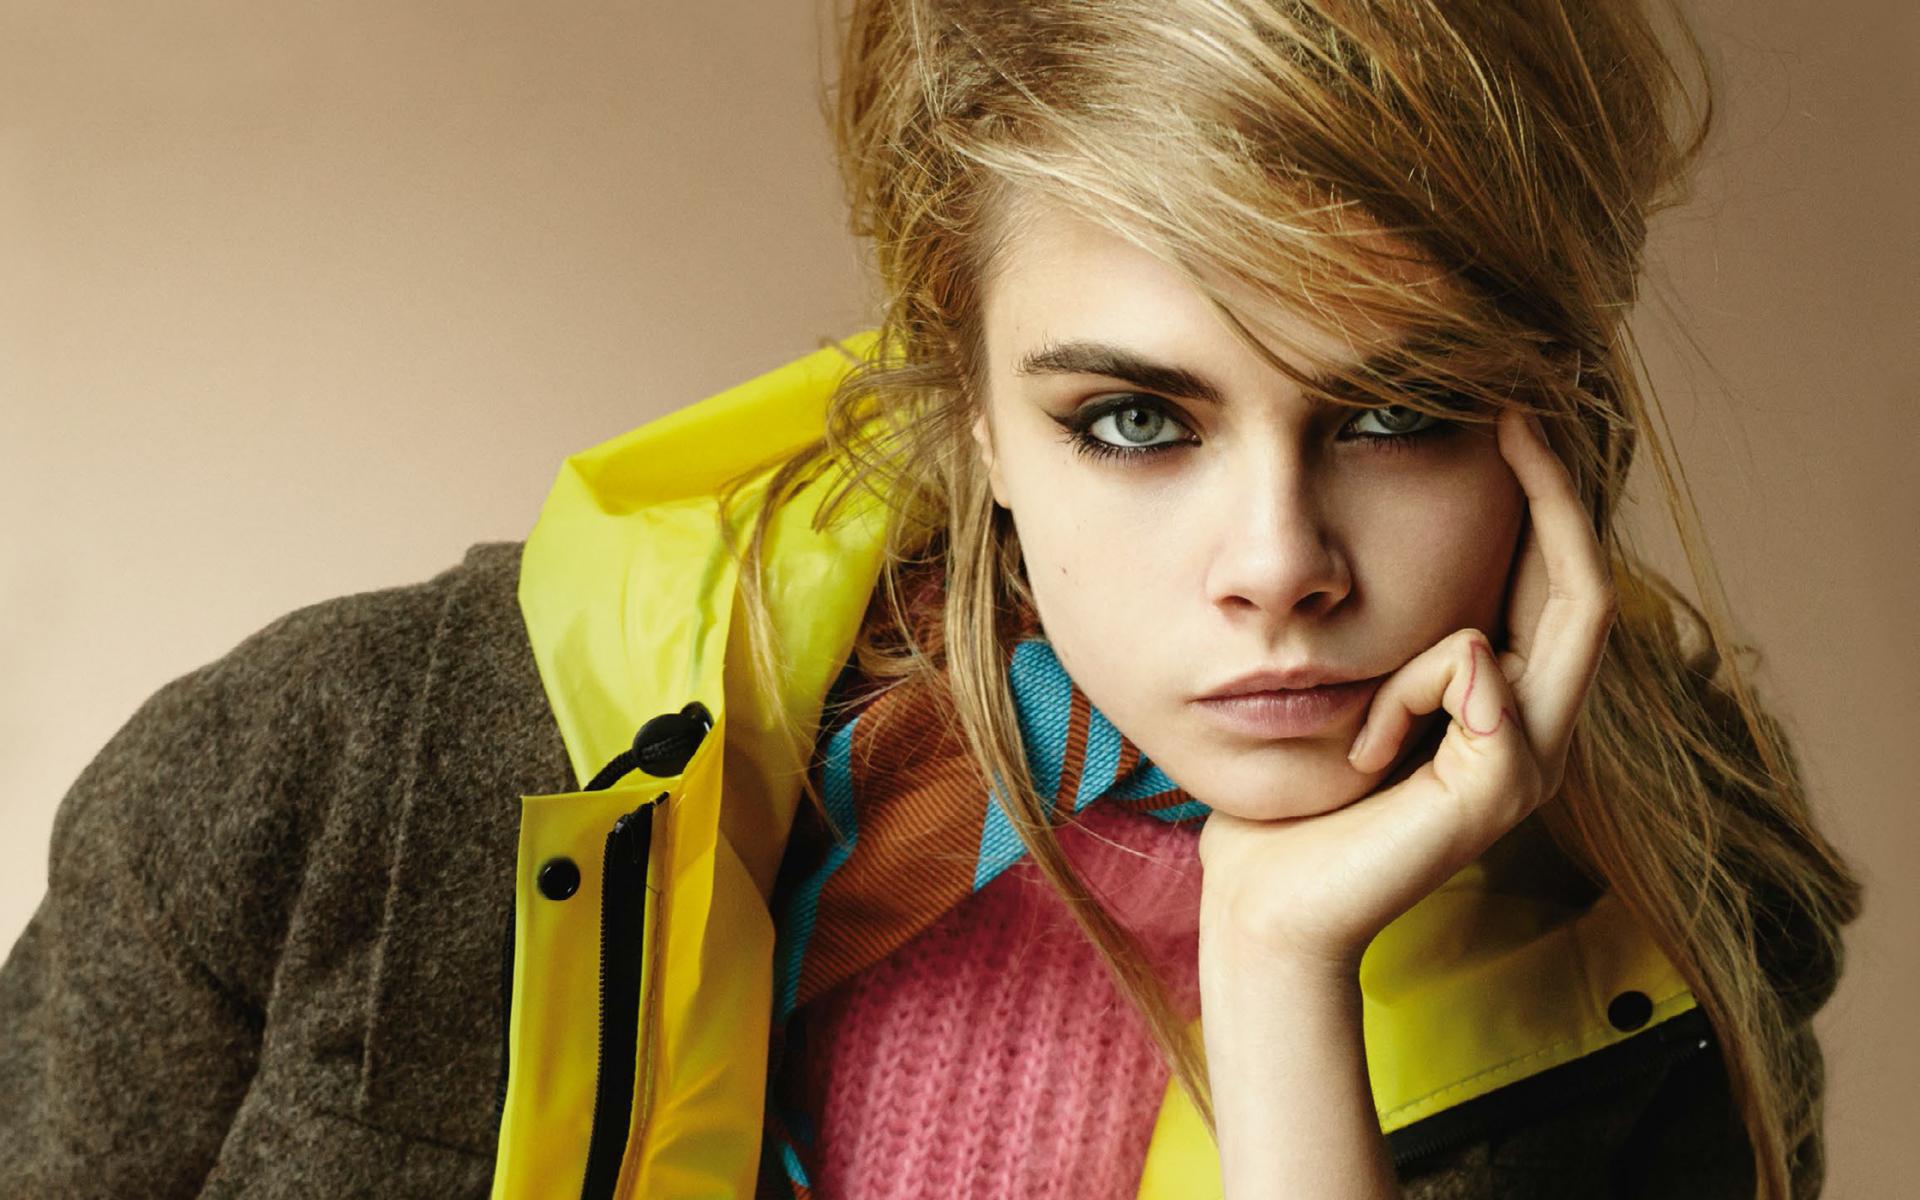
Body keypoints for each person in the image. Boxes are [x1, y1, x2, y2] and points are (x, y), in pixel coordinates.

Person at [0, 0, 1864, 1197]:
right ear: (968, 407)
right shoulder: (338, 780)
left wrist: (1281, 973)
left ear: (1552, 424)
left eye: (1396, 413)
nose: (1278, 564)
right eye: (1136, 419)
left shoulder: (1667, 958)